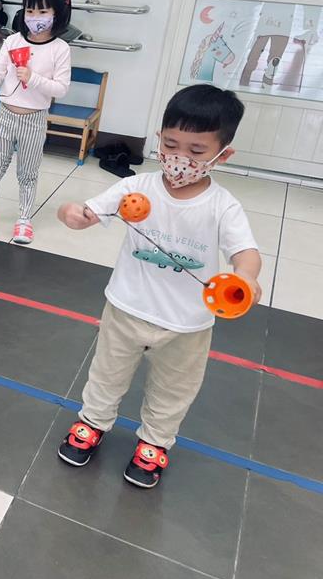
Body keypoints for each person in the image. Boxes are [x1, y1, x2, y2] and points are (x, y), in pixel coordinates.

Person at [55, 83, 261, 489]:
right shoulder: (136, 188)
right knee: (106, 374)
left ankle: (155, 442)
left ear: (222, 155)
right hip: (126, 307)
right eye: (170, 144)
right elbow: (86, 210)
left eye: (196, 151)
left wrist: (247, 277)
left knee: (174, 389)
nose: (180, 158)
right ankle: (93, 421)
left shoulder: (223, 206)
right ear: (159, 139)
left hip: (187, 324)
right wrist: (71, 213)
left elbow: (246, 252)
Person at [0, 0, 73, 244]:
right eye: (30, 11)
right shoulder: (13, 41)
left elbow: (61, 88)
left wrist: (33, 78)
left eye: (43, 12)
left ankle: (24, 219)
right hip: (5, 114)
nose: (35, 17)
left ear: (57, 14)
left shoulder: (60, 49)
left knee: (28, 172)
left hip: (35, 120)